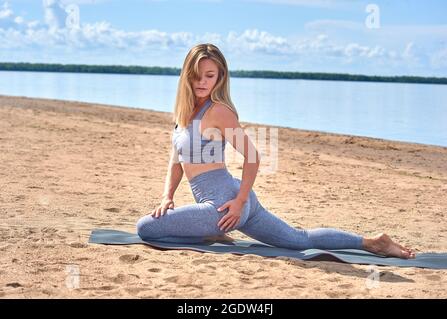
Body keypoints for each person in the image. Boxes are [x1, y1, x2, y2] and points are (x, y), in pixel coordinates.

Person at [136, 43, 415, 259]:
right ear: (186, 75)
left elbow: (253, 156)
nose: (202, 82)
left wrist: (240, 202)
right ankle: (372, 242)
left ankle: (212, 233)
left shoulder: (219, 112)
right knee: (298, 239)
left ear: (220, 77)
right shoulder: (183, 114)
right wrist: (167, 196)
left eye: (210, 75)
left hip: (225, 204)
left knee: (146, 228)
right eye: (196, 75)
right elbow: (176, 160)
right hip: (228, 201)